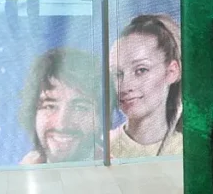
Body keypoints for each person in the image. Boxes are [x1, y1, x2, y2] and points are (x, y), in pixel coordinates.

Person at [109, 14, 183, 159]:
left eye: (141, 70)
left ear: (171, 72)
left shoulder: (192, 151)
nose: (125, 86)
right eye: (117, 74)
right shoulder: (101, 149)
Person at [18, 48, 101, 164]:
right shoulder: (22, 171)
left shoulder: (120, 170)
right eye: (50, 106)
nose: (62, 124)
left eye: (80, 108)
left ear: (101, 118)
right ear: (33, 115)